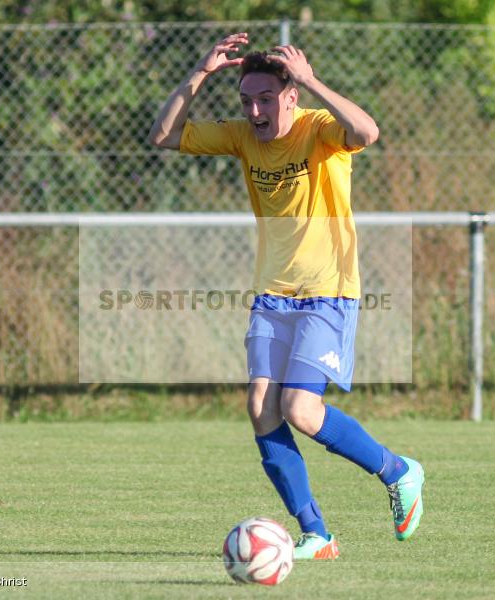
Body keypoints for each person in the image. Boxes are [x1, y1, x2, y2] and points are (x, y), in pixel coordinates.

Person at [148, 32, 424, 559]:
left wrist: (312, 80)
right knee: (261, 406)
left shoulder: (320, 128)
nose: (254, 110)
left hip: (328, 290)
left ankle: (397, 471)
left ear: (291, 96)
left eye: (267, 99)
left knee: (300, 407)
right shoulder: (242, 137)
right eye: (246, 100)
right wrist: (201, 73)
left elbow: (367, 130)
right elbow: (163, 134)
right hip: (273, 293)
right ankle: (316, 534)